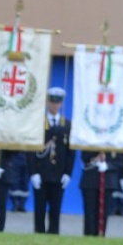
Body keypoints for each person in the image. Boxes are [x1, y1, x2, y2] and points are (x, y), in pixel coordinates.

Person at [30, 96, 72, 234]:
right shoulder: (38, 123)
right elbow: (30, 150)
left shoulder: (66, 125)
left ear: (61, 103)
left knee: (56, 209)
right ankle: (39, 233)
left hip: (58, 174)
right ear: (48, 102)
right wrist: (33, 172)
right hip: (41, 173)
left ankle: (54, 233)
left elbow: (70, 152)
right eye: (52, 102)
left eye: (58, 102)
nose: (55, 105)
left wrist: (68, 173)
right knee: (40, 208)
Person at [77, 148, 121, 237]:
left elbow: (120, 162)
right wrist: (95, 159)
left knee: (103, 214)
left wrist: (107, 165)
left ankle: (100, 236)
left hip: (107, 181)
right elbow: (84, 157)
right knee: (90, 214)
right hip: (90, 180)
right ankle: (88, 236)